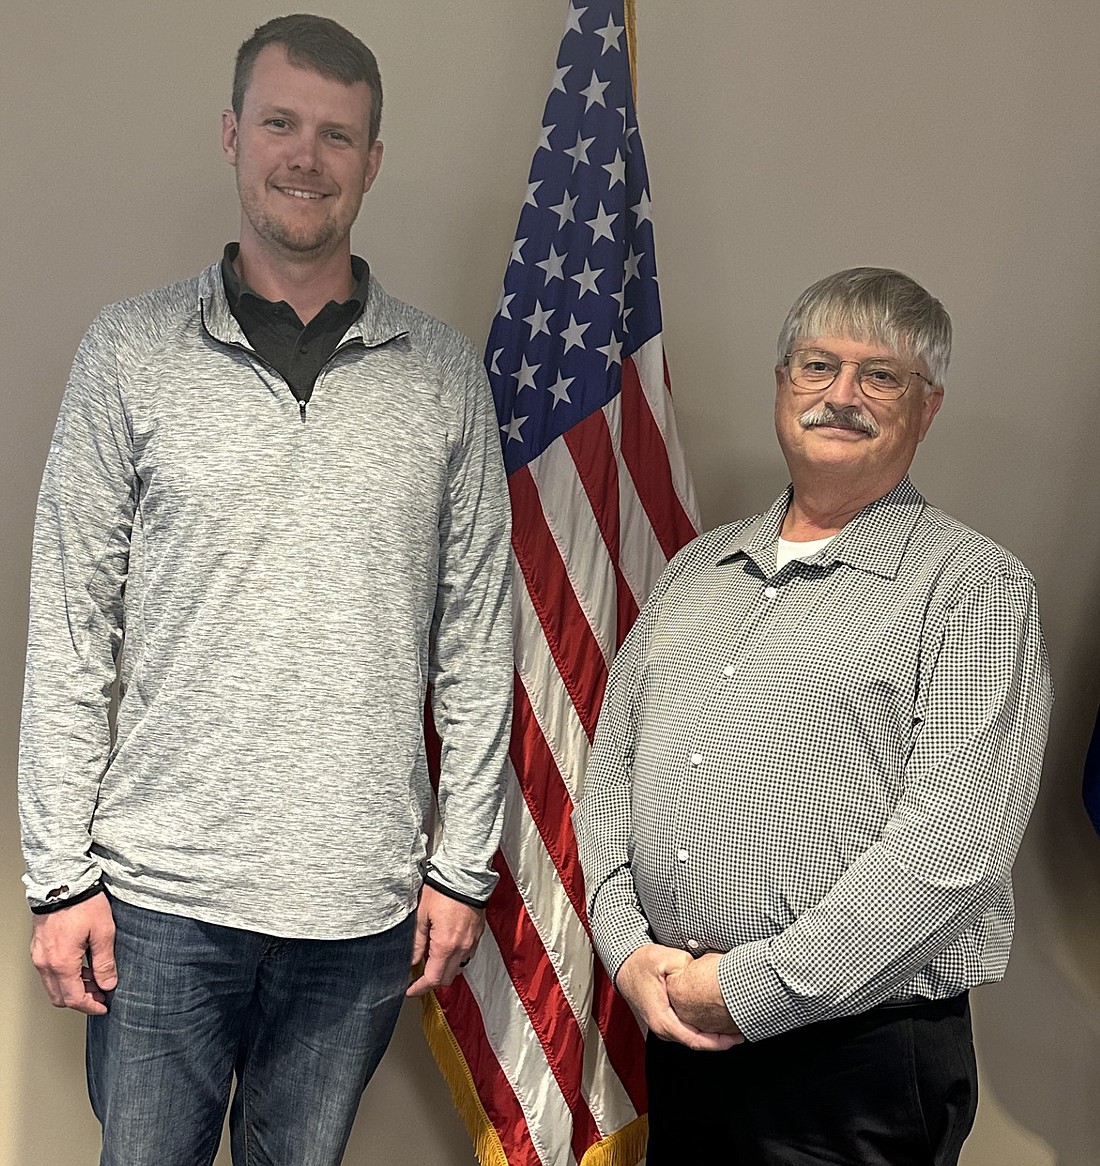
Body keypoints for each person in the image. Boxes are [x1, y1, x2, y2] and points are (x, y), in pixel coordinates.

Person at [19, 14, 512, 1165]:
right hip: (156, 896)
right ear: (233, 134)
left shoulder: (442, 376)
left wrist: (461, 865)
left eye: (338, 134)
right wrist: (57, 878)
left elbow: (480, 640)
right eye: (282, 123)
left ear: (372, 160)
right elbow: (70, 625)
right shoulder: (128, 350)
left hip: (358, 902)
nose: (307, 155)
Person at [574, 267, 1052, 1165]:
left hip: (855, 1067)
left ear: (928, 405)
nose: (841, 396)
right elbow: (609, 776)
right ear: (784, 385)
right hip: (678, 1029)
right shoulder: (697, 571)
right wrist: (630, 949)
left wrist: (750, 990)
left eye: (880, 376)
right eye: (817, 366)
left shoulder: (973, 588)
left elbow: (954, 852)